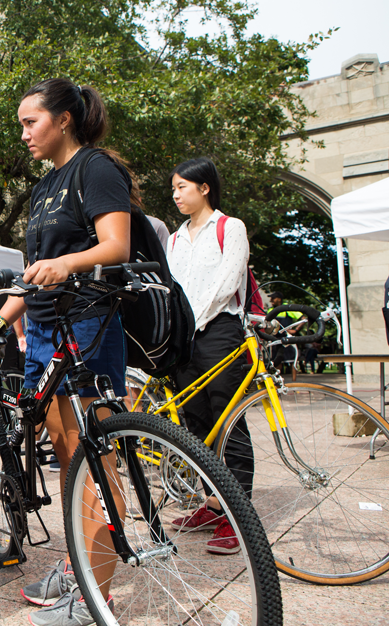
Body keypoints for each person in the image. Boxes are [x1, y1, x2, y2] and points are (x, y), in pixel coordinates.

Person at [0, 79, 131, 626]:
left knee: (95, 457)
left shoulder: (96, 168)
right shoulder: (42, 189)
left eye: (30, 121)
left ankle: (95, 595)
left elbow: (116, 245)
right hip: (40, 330)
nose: (24, 133)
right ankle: (78, 564)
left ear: (64, 119)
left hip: (87, 323)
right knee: (67, 458)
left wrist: (71, 263)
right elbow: (31, 276)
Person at [165, 156, 252, 555]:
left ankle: (239, 518)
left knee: (229, 423)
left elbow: (227, 281)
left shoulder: (229, 227)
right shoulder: (175, 237)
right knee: (198, 427)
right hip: (184, 340)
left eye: (182, 186)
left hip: (219, 332)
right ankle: (214, 505)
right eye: (174, 188)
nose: (176, 194)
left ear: (204, 188)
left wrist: (194, 320)